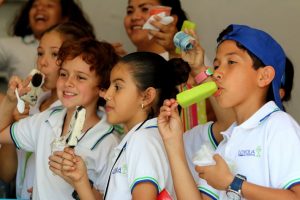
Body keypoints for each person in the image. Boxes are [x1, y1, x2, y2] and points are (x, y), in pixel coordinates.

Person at [158, 24, 300, 200]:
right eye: (216, 65)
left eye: (231, 62)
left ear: (263, 76)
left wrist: (232, 183)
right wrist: (173, 143)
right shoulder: (228, 141)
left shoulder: (279, 126)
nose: (217, 73)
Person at [50, 52, 191, 200]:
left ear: (147, 96)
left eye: (117, 87)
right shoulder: (142, 137)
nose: (107, 95)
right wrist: (80, 181)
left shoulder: (143, 139)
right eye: (110, 86)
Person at [0, 38, 120, 199]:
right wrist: (10, 100)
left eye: (80, 77)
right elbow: (1, 133)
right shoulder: (47, 120)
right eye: (63, 74)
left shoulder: (108, 141)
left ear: (102, 87)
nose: (68, 82)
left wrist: (79, 182)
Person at [0, 0, 94, 80]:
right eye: (35, 5)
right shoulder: (11, 45)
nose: (40, 8)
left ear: (64, 18)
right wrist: (8, 100)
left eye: (49, 5)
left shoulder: (78, 48)